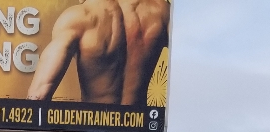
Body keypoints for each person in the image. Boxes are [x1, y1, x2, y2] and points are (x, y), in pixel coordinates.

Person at [26, 0, 170, 106]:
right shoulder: (162, 11)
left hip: (92, 130)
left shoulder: (80, 16)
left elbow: (39, 95)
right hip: (138, 131)